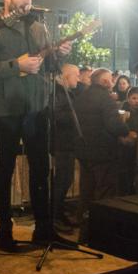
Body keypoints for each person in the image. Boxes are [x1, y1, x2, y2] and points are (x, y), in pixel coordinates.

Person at [0, 0, 72, 252]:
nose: (29, 1)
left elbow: (48, 66)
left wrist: (59, 55)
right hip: (7, 109)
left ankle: (44, 229)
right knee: (5, 168)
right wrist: (18, 65)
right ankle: (4, 230)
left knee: (41, 169)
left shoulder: (38, 28)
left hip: (37, 108)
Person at [73, 68, 130, 243]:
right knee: (104, 193)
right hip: (104, 152)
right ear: (105, 82)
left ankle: (84, 233)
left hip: (84, 151)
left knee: (86, 192)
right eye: (110, 80)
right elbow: (113, 125)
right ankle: (101, 235)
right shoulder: (106, 98)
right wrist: (127, 129)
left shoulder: (81, 96)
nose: (112, 83)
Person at [51, 63, 81, 233]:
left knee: (65, 179)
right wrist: (76, 114)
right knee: (62, 180)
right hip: (62, 143)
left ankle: (58, 213)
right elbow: (55, 115)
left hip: (67, 142)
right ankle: (54, 217)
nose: (78, 77)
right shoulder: (58, 92)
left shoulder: (65, 92)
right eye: (76, 74)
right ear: (65, 75)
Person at [117, 86, 138, 195]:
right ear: (128, 99)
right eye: (134, 98)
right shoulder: (121, 111)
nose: (136, 101)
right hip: (124, 148)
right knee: (124, 173)